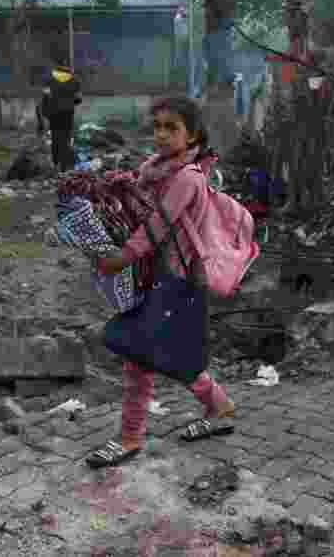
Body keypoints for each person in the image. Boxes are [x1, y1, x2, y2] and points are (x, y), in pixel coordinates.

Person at [85, 96, 236, 469]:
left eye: (172, 128)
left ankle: (130, 437)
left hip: (178, 280)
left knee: (140, 352)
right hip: (156, 278)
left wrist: (121, 258)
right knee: (162, 353)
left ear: (193, 134)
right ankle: (219, 406)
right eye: (157, 127)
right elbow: (138, 215)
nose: (162, 135)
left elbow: (157, 226)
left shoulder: (186, 177)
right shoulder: (154, 170)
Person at [40, 53, 82, 172]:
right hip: (68, 112)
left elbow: (46, 96)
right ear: (65, 65)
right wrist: (69, 101)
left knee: (55, 136)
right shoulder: (74, 79)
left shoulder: (48, 78)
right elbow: (78, 98)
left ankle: (55, 161)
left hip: (53, 112)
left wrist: (45, 111)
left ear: (55, 65)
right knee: (66, 137)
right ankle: (65, 164)